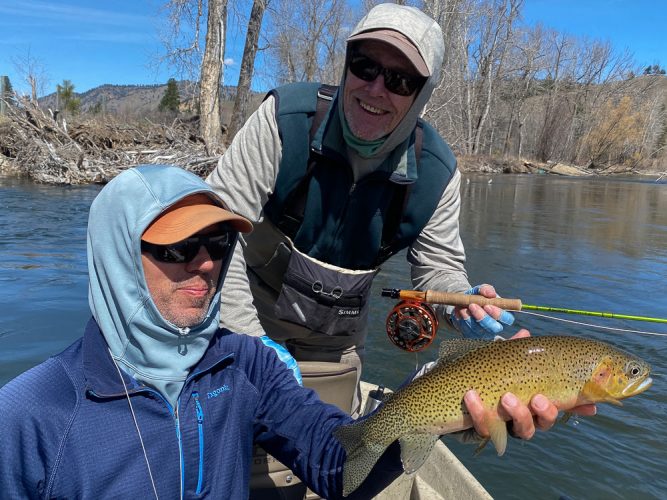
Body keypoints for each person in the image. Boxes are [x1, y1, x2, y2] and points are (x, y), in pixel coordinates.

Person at [205, 2, 592, 429]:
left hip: (336, 342)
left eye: (401, 80)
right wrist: (250, 343)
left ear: (423, 95)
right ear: (347, 65)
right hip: (243, 312)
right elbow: (214, 236)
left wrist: (459, 304)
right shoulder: (283, 122)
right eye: (365, 65)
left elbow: (437, 270)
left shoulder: (436, 174)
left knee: (330, 454)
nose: (375, 89)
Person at [0, 165, 406, 499]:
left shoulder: (248, 363)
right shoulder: (27, 415)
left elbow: (338, 467)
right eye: (177, 247)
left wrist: (422, 414)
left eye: (217, 243)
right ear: (117, 255)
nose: (206, 264)